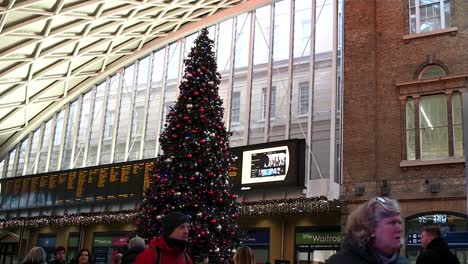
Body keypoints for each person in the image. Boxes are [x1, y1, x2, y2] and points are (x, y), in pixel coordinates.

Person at [326, 197, 408, 264]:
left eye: (399, 223)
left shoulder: (403, 262)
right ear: (371, 227)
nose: (400, 229)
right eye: (392, 223)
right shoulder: (340, 261)